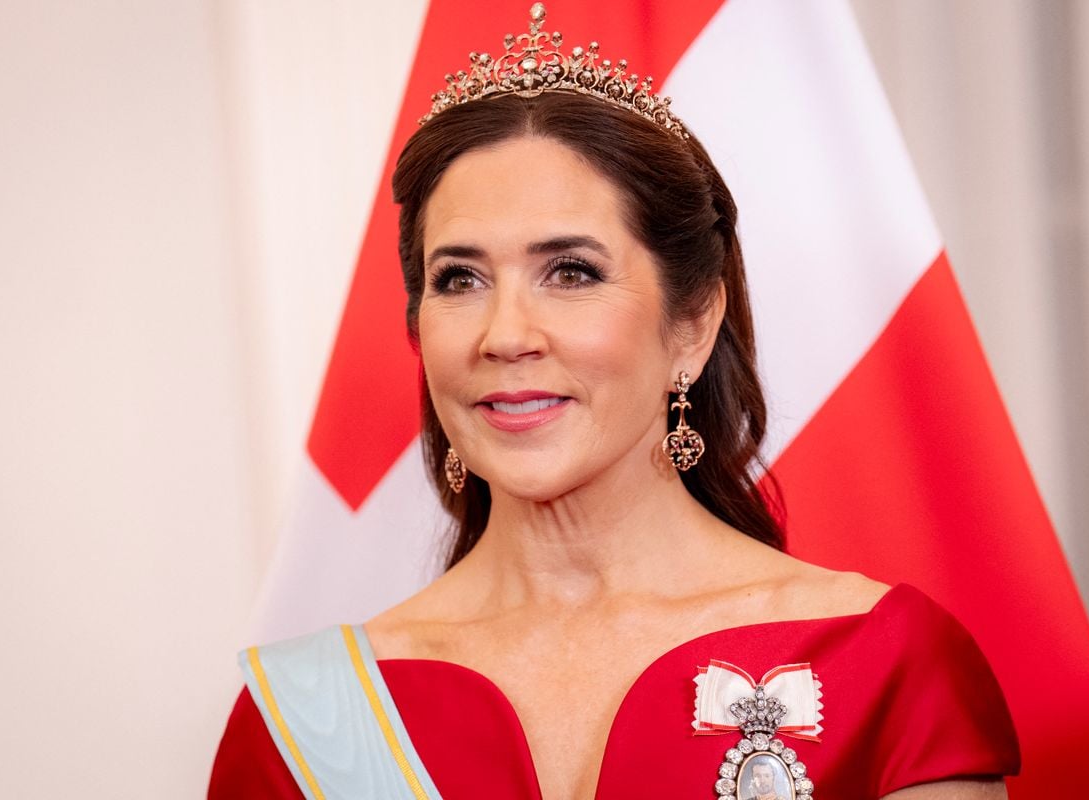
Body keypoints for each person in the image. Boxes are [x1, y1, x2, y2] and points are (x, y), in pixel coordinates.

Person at [209, 5, 1019, 798]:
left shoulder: (881, 664)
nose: (506, 334)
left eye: (571, 272)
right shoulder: (300, 724)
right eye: (459, 278)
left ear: (694, 323)